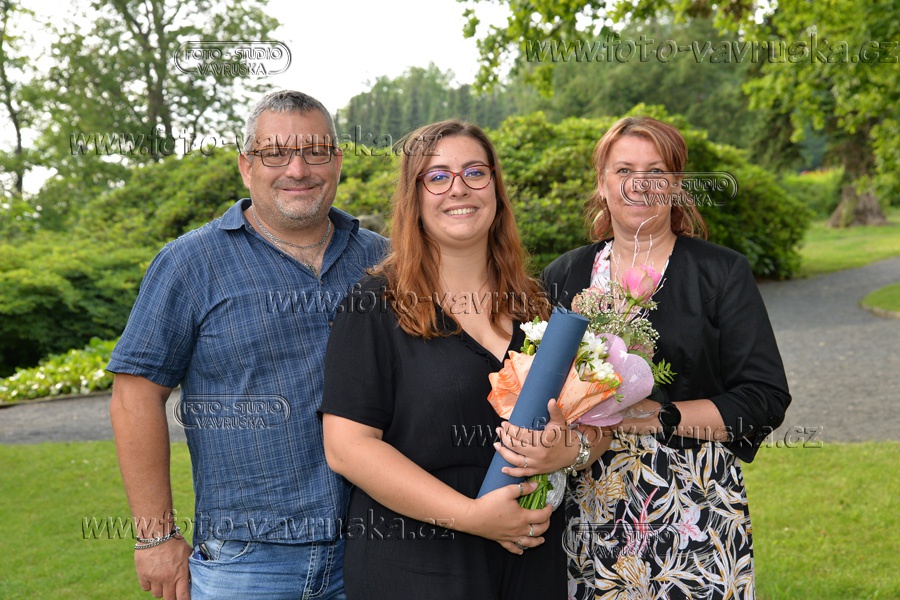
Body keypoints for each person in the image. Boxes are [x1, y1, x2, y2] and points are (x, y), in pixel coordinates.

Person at [108, 90, 387, 600]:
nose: (297, 169)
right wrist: (155, 536)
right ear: (246, 166)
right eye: (275, 154)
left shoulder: (385, 260)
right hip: (247, 563)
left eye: (315, 152)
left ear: (337, 161)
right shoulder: (190, 263)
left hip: (376, 548)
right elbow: (134, 396)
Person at [319, 119, 572, 600]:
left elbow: (582, 420)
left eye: (475, 172)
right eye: (437, 176)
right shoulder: (374, 305)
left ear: (496, 189)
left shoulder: (535, 305)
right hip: (420, 566)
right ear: (414, 197)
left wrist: (569, 449)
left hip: (530, 563)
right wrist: (473, 517)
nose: (459, 188)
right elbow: (348, 448)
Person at [540, 116, 791, 599]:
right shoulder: (563, 275)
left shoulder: (720, 273)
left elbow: (764, 398)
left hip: (693, 510)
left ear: (676, 186)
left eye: (656, 172)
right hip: (585, 508)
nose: (640, 184)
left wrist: (656, 416)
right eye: (624, 170)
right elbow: (538, 384)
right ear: (602, 184)